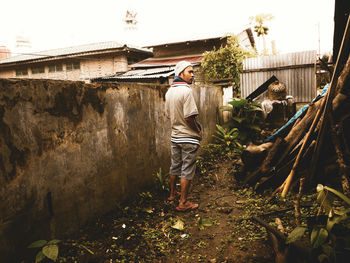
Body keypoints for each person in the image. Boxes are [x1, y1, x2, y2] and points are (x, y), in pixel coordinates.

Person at [165, 61, 202, 211]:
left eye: (193, 72)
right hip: (188, 137)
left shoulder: (169, 92)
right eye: (190, 72)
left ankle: (173, 195)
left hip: (175, 136)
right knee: (187, 168)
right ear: (181, 74)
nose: (193, 75)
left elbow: (168, 115)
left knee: (175, 166)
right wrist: (198, 131)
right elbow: (189, 117)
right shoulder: (186, 91)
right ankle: (183, 202)